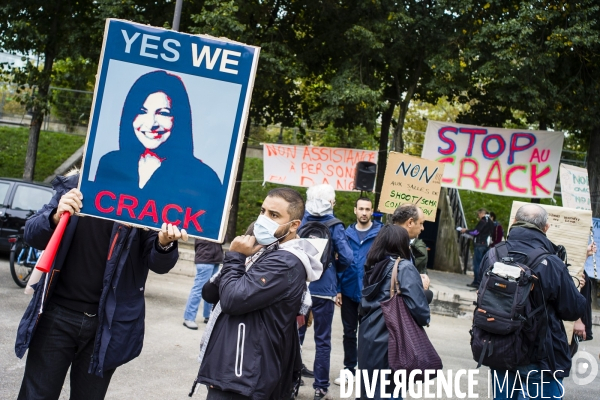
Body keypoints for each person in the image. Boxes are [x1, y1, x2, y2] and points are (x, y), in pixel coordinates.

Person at [15, 170, 183, 400]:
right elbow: (33, 233)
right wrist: (55, 215)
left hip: (107, 325)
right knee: (37, 395)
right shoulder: (77, 184)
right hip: (56, 316)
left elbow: (159, 263)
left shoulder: (146, 194)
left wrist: (164, 244)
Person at [193, 188, 323, 400]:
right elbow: (209, 293)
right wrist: (244, 259)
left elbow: (232, 300)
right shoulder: (264, 253)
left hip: (244, 374)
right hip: (235, 368)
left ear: (293, 225)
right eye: (263, 211)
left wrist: (235, 257)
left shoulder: (285, 262)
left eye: (274, 215)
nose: (263, 219)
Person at [92, 70, 224, 239]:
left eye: (163, 113)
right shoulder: (110, 163)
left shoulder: (205, 179)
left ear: (179, 119)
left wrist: (166, 245)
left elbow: (210, 229)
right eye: (142, 111)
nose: (151, 123)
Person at [488, 204, 587, 399]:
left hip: (498, 347)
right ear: (546, 228)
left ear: (514, 222)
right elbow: (572, 309)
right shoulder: (551, 262)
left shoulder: (493, 254)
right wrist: (576, 288)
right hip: (539, 353)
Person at [357, 224, 431, 400]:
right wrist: (425, 290)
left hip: (368, 336)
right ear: (402, 244)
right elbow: (419, 310)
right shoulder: (404, 267)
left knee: (369, 390)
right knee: (390, 391)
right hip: (392, 339)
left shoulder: (372, 264)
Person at [299, 184, 353, 400]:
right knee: (323, 340)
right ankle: (320, 388)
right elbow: (348, 257)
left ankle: (292, 380)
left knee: (296, 334)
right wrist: (332, 269)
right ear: (331, 202)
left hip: (302, 289)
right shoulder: (335, 225)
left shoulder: (303, 221)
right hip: (324, 290)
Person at [333, 197, 382, 386]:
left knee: (368, 335)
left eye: (367, 209)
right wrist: (337, 289)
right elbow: (339, 262)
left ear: (371, 212)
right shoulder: (346, 233)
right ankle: (349, 369)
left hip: (371, 292)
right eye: (360, 208)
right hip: (348, 291)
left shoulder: (380, 234)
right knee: (349, 333)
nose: (363, 212)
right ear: (355, 210)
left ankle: (366, 372)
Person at [183, 239, 223, 329]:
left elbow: (223, 239)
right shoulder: (206, 226)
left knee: (211, 289)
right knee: (198, 289)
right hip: (205, 258)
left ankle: (208, 315)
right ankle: (189, 318)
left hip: (215, 259)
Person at [461, 208, 494, 288]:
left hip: (479, 244)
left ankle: (477, 282)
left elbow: (476, 232)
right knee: (483, 264)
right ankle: (481, 282)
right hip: (486, 245)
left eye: (478, 214)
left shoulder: (483, 221)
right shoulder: (491, 221)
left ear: (481, 213)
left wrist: (465, 231)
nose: (478, 216)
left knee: (477, 264)